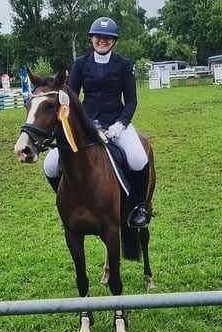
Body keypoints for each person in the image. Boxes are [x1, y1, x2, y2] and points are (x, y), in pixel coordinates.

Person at [42, 16, 151, 228]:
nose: (102, 40)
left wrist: (120, 125)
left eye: (107, 38)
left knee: (139, 158)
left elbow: (131, 101)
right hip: (86, 123)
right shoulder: (81, 63)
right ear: (92, 38)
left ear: (114, 41)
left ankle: (139, 207)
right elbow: (71, 95)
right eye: (98, 37)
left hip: (116, 122)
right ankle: (66, 205)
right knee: (50, 164)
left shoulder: (124, 64)